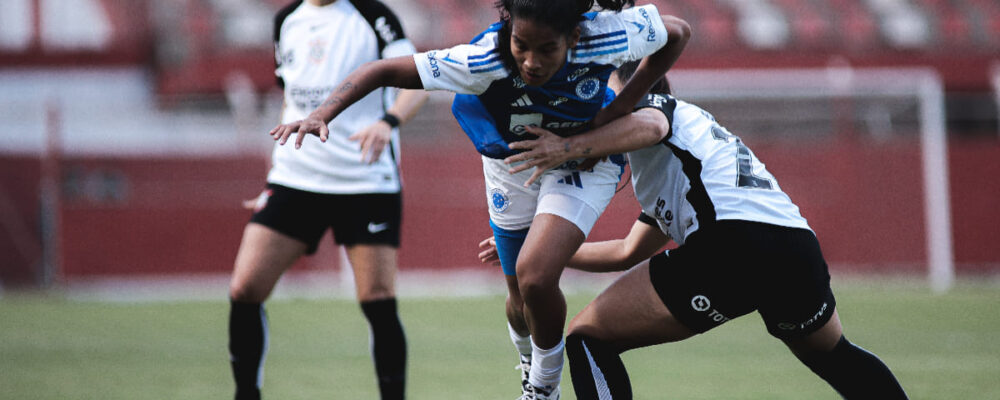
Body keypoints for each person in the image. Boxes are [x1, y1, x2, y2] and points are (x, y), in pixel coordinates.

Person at [269, 1, 690, 398]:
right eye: (521, 45)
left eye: (547, 49)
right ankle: (529, 362)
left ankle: (544, 387)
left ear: (575, 38)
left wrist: (618, 109)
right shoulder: (483, 58)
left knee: (536, 274)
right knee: (519, 299)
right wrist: (322, 113)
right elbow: (379, 70)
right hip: (513, 164)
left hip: (584, 158)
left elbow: (676, 32)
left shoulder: (605, 36)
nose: (531, 61)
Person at [482, 61, 909, 399]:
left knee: (587, 337)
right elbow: (628, 251)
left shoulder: (656, 111)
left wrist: (566, 147)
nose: (598, 102)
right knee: (833, 355)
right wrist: (542, 251)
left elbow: (651, 124)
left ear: (636, 90)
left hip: (731, 243)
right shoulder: (686, 147)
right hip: (795, 247)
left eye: (607, 90)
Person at [228, 1, 428, 399]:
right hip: (295, 179)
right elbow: (290, 100)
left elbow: (417, 81)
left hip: (364, 178)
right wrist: (274, 174)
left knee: (378, 300)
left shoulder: (374, 15)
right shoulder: (286, 20)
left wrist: (388, 122)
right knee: (245, 289)